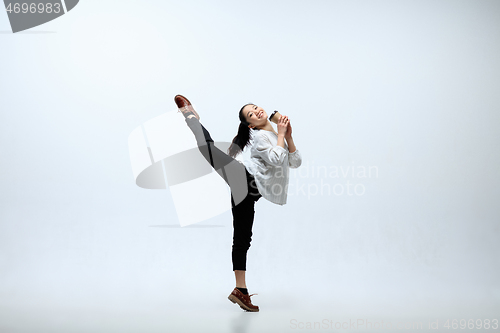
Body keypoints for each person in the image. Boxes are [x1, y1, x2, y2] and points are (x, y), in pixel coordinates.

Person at [174, 95, 302, 312]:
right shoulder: (261, 137)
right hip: (242, 177)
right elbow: (278, 160)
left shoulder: (275, 136)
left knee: (243, 238)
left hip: (250, 193)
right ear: (251, 124)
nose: (257, 111)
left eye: (255, 107)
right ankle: (190, 116)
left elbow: (295, 161)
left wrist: (288, 137)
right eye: (251, 114)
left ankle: (240, 290)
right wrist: (280, 135)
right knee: (208, 149)